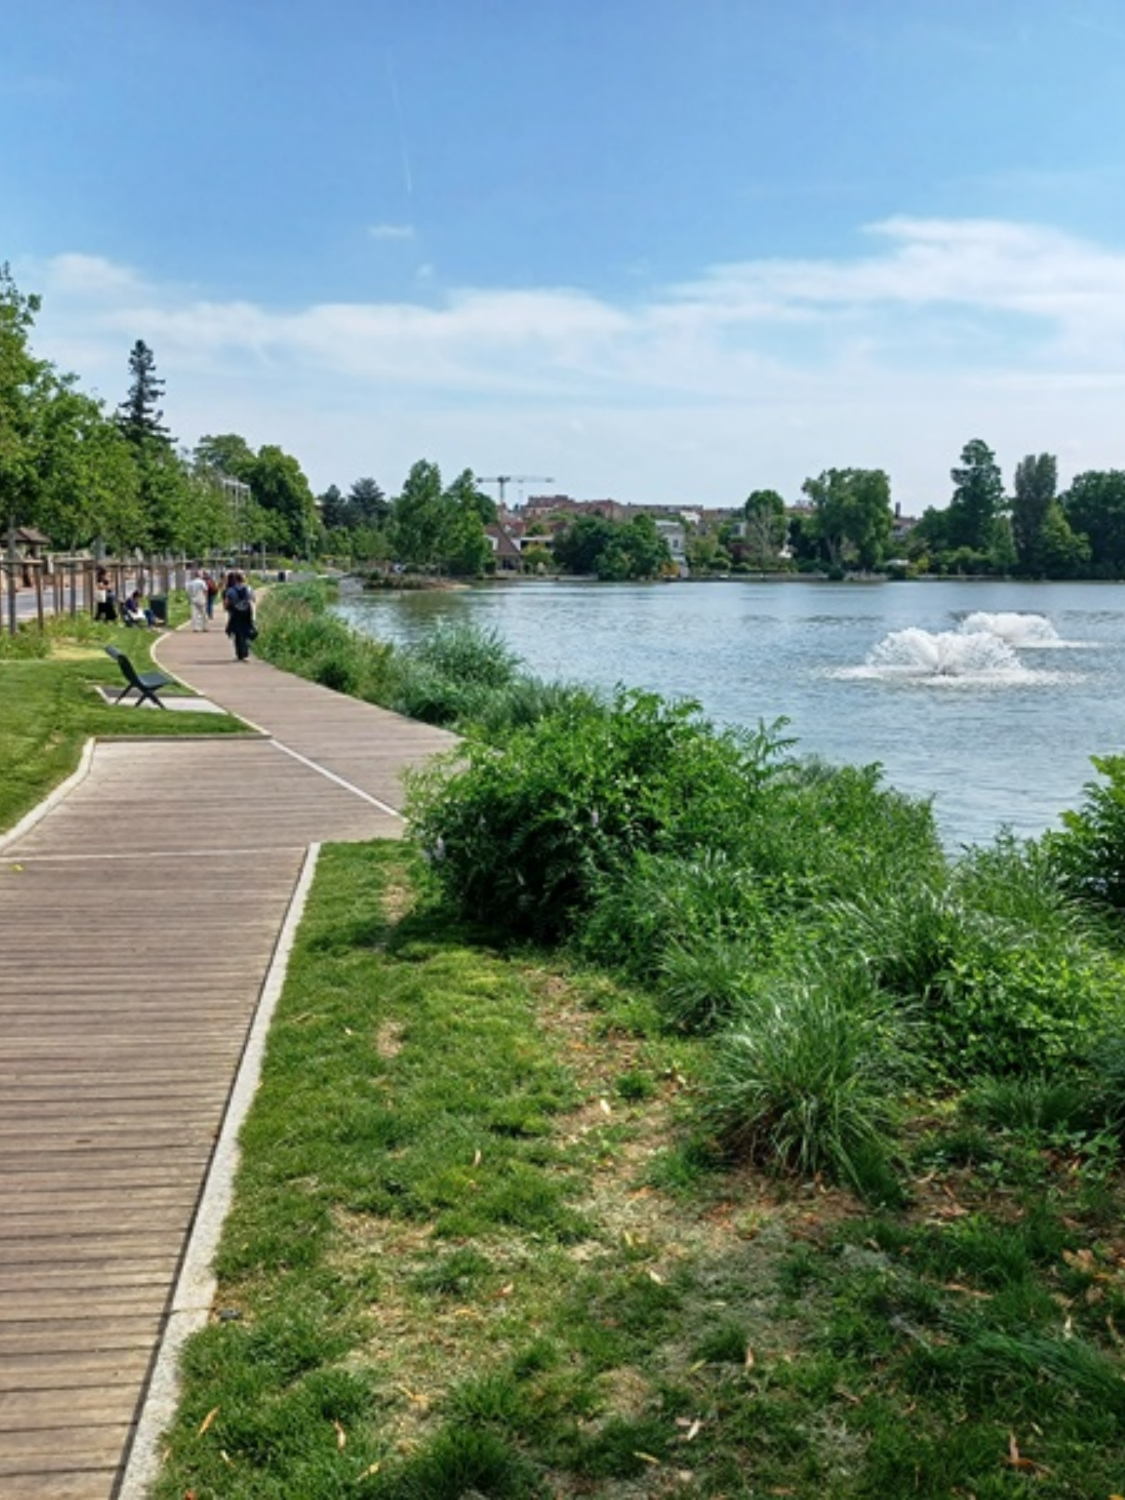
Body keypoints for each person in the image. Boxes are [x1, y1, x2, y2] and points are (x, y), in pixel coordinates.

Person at [223, 569, 256, 661]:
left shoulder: (230, 590)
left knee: (237, 633)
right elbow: (253, 600)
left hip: (235, 613)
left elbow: (227, 602)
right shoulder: (249, 588)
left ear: (235, 580)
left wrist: (227, 609)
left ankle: (239, 654)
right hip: (246, 613)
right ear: (244, 579)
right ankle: (246, 652)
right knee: (246, 631)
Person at [186, 566, 209, 632]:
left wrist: (190, 598)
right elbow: (205, 590)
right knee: (203, 613)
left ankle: (195, 628)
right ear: (199, 575)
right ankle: (204, 627)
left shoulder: (191, 582)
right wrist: (206, 598)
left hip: (193, 598)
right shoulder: (202, 582)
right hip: (201, 598)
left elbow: (188, 592)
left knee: (194, 613)